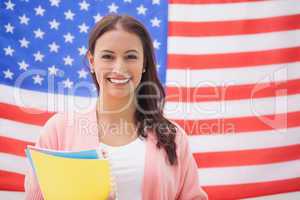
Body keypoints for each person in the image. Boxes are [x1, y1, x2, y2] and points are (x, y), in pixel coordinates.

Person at [24, 14, 209, 200]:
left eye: (130, 57)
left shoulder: (173, 137)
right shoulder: (58, 130)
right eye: (107, 56)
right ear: (92, 61)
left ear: (144, 62)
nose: (119, 68)